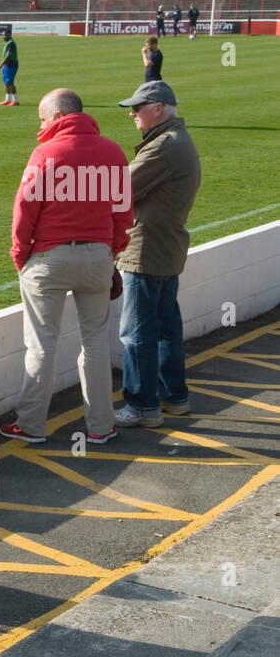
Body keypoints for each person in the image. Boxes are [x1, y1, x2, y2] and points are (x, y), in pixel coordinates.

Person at [0, 88, 132, 444]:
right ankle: (102, 427)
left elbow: (24, 212)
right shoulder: (113, 152)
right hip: (97, 258)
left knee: (42, 344)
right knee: (96, 342)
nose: (39, 126)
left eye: (42, 119)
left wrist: (19, 256)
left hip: (48, 259)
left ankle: (30, 425)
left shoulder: (45, 152)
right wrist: (113, 251)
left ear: (58, 117)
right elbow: (123, 212)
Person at [113, 80, 201, 428]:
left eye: (138, 107)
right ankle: (173, 397)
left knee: (136, 332)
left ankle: (142, 406)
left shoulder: (164, 145)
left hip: (146, 250)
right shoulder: (178, 141)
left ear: (159, 109)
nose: (132, 114)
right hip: (167, 249)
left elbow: (118, 188)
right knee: (165, 329)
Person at [0, 26, 19, 106]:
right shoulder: (8, 43)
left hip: (11, 65)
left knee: (10, 82)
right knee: (6, 82)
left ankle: (15, 100)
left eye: (5, 35)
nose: (3, 37)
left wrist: (0, 65)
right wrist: (3, 67)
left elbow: (8, 55)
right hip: (7, 65)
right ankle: (8, 99)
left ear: (9, 35)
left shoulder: (11, 44)